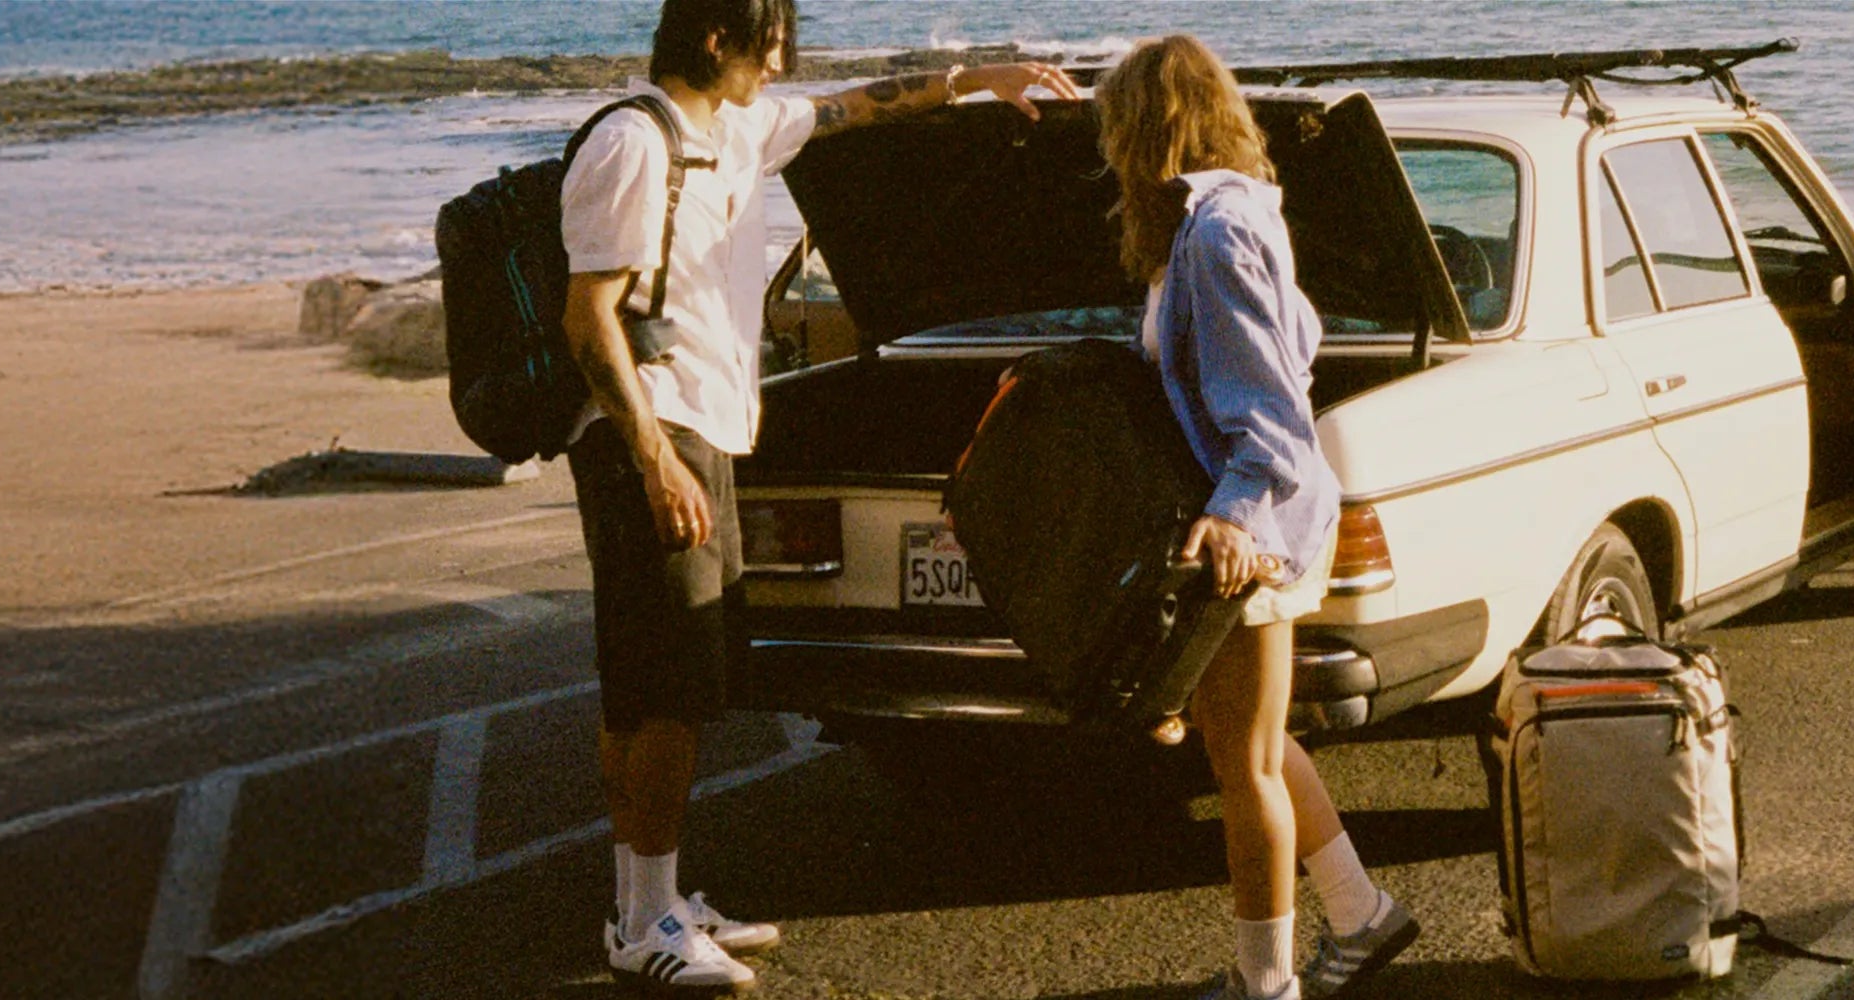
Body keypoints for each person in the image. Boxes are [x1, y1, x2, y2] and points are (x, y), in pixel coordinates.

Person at [558, 1, 1075, 992]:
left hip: (699, 428)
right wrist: (653, 458)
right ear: (716, 38)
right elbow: (589, 319)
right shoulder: (633, 145)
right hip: (653, 434)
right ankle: (647, 917)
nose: (782, 60)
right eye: (770, 40)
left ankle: (645, 902)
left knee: (658, 680)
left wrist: (979, 79)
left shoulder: (736, 130)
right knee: (666, 687)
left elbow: (854, 108)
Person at [1097, 34, 1419, 1000]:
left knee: (1245, 767)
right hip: (1257, 517)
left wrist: (1236, 516)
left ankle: (1266, 986)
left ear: (1150, 127)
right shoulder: (1222, 218)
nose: (1109, 150)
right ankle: (1361, 913)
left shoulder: (1217, 235)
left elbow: (1273, 417)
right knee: (1257, 743)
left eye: (1116, 127)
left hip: (1257, 528)